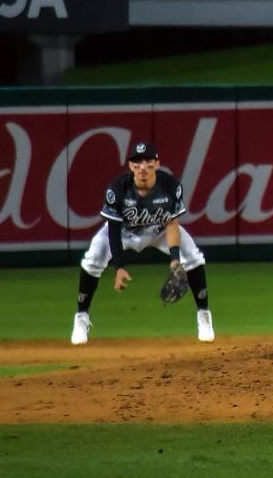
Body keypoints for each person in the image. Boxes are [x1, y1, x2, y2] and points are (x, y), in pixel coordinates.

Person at [71, 140, 214, 345]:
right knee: (92, 259)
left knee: (193, 257)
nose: (142, 168)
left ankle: (204, 316)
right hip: (122, 233)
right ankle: (81, 318)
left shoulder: (171, 186)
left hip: (159, 230)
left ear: (157, 164)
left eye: (148, 162)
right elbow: (112, 230)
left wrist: (175, 260)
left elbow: (172, 224)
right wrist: (119, 267)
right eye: (137, 163)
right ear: (130, 166)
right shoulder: (118, 189)